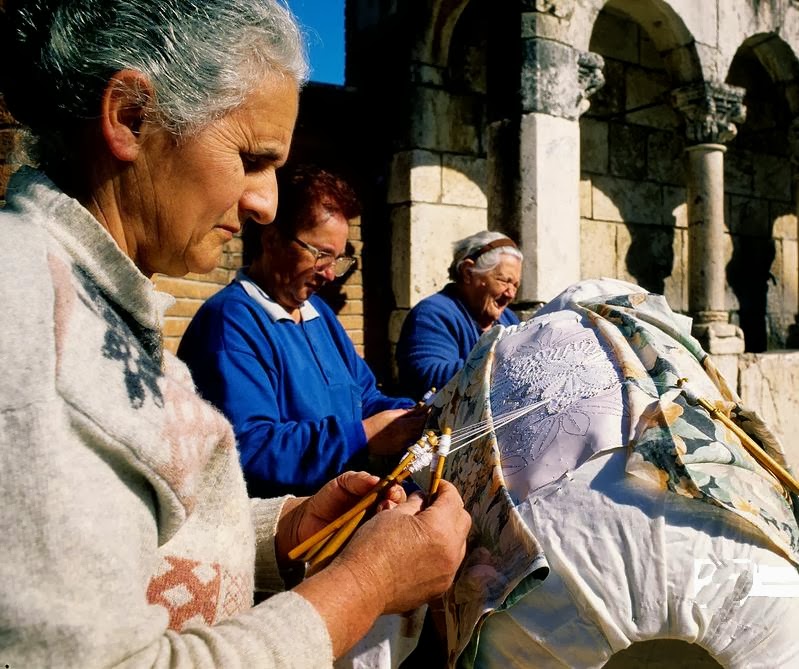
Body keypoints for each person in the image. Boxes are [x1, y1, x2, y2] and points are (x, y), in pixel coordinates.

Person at [0, 1, 471, 666]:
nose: (262, 203)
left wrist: (286, 528)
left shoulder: (97, 310)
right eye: (250, 158)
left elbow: (147, 538)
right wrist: (365, 584)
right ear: (130, 117)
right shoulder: (34, 331)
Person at [178, 164, 426, 498]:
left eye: (339, 259)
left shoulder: (316, 312)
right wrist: (363, 435)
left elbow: (363, 396)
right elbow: (250, 449)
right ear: (272, 239)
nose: (331, 274)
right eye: (321, 255)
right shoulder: (229, 324)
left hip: (336, 504)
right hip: (283, 529)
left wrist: (415, 413)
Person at [395, 230, 523, 399]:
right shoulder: (432, 314)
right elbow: (429, 379)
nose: (510, 294)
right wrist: (507, 363)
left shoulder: (508, 318)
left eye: (515, 285)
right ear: (468, 272)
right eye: (504, 281)